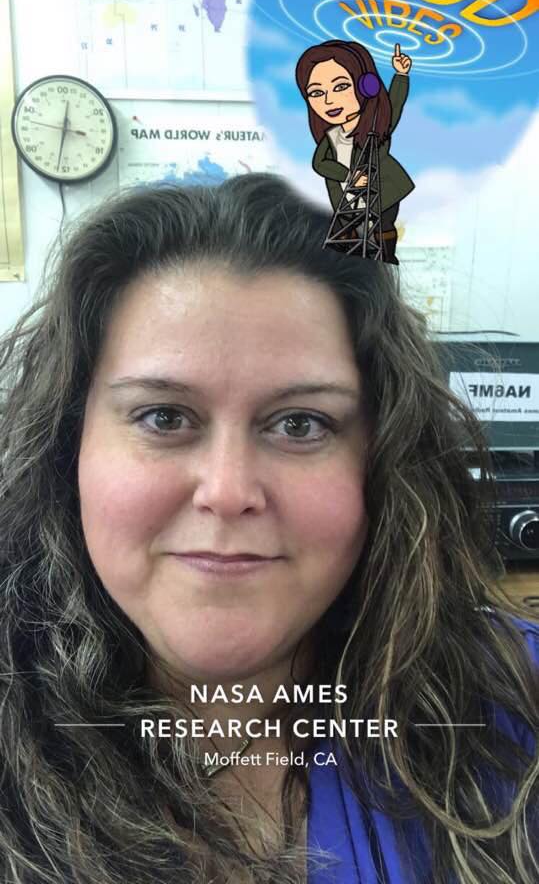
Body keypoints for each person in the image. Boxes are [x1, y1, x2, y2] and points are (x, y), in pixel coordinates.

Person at [0, 173, 536, 884]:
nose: (227, 493)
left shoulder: (515, 700)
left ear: (382, 460)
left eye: (300, 424)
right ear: (68, 447)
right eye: (164, 416)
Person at [295, 39, 415, 264]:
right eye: (316, 92)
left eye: (340, 87)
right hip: (346, 202)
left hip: (383, 195)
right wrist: (348, 176)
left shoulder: (377, 125)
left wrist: (401, 75)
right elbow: (319, 164)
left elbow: (395, 104)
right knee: (347, 244)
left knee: (380, 237)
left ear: (366, 86)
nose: (328, 101)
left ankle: (383, 260)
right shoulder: (331, 136)